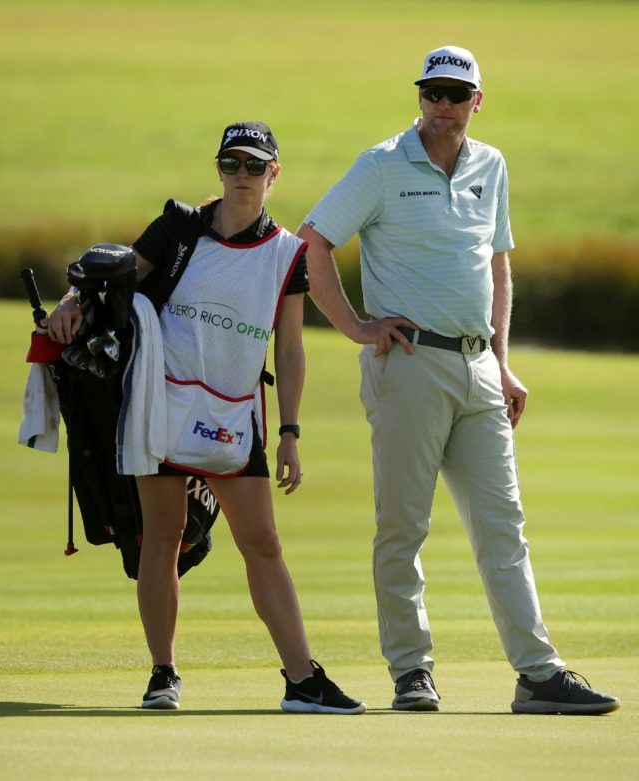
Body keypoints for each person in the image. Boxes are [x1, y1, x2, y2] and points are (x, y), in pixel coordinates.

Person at [297, 47, 620, 715]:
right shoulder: (382, 165)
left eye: (455, 92)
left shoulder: (490, 165)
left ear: (478, 100)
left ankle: (537, 672)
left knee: (504, 527)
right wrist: (358, 326)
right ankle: (411, 670)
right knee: (403, 528)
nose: (441, 103)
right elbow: (312, 243)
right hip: (409, 364)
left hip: (478, 370)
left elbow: (498, 269)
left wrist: (500, 360)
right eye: (431, 91)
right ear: (419, 96)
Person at [49, 120, 365, 715]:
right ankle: (163, 674)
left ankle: (302, 679)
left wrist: (291, 433)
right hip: (158, 404)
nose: (241, 175)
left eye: (254, 165)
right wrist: (70, 302)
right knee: (161, 538)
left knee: (263, 543)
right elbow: (117, 279)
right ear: (219, 169)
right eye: (231, 163)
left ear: (275, 173)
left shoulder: (287, 253)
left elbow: (289, 349)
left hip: (233, 416)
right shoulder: (179, 226)